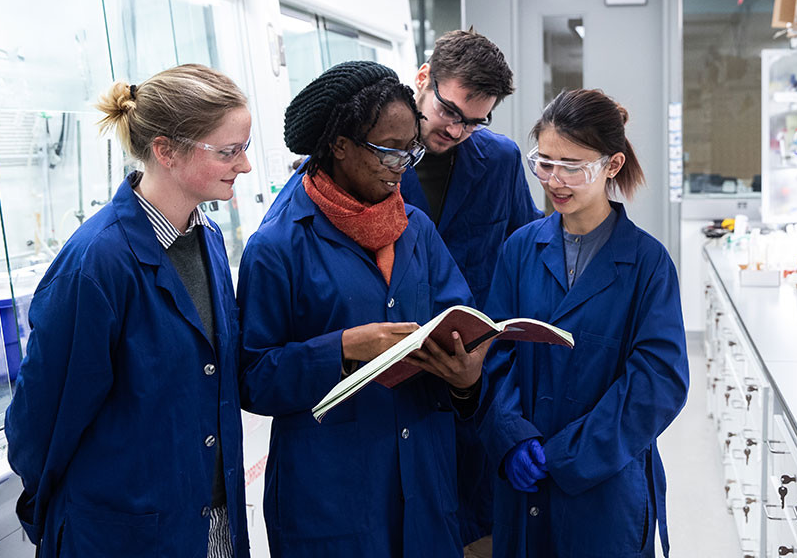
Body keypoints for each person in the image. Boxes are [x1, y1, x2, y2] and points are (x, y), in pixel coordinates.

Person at [237, 60, 493, 557]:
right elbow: (251, 377)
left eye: (408, 152)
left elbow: (460, 320)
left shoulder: (416, 230)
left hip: (424, 484)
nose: (401, 167)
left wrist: (467, 379)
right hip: (331, 501)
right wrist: (342, 348)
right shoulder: (278, 246)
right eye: (387, 152)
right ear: (339, 146)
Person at [6, 64, 253, 557]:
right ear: (166, 151)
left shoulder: (206, 236)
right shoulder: (97, 264)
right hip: (121, 534)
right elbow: (36, 426)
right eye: (229, 151)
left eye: (243, 148)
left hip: (209, 521)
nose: (244, 166)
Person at [476, 89, 690, 557]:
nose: (556, 180)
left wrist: (566, 455)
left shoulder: (647, 263)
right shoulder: (519, 248)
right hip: (523, 481)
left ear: (612, 165)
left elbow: (658, 382)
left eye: (574, 165)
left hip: (605, 485)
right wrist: (511, 436)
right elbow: (494, 355)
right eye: (545, 163)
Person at [400, 29, 541, 552]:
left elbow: (527, 256)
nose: (460, 131)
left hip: (476, 380)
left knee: (478, 528)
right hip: (398, 379)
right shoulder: (374, 164)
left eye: (476, 121)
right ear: (423, 80)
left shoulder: (500, 161)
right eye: (451, 112)